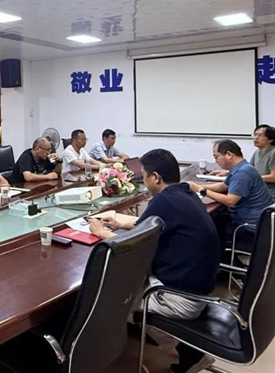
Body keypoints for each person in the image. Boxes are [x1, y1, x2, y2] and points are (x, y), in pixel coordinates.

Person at [89, 149, 220, 373]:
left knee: (116, 299)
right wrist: (119, 223)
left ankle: (190, 355)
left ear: (156, 177)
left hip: (181, 298)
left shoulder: (164, 200)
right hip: (200, 288)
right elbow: (151, 224)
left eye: (144, 175)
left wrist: (102, 233)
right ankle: (189, 351)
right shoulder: (184, 193)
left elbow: (133, 246)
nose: (143, 180)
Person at [188, 140, 272, 252]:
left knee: (206, 229)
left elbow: (230, 201)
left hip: (248, 227)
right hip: (254, 221)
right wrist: (198, 186)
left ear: (229, 155)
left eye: (216, 157)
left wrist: (202, 190)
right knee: (215, 218)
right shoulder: (242, 167)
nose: (216, 161)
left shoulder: (242, 173)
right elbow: (224, 186)